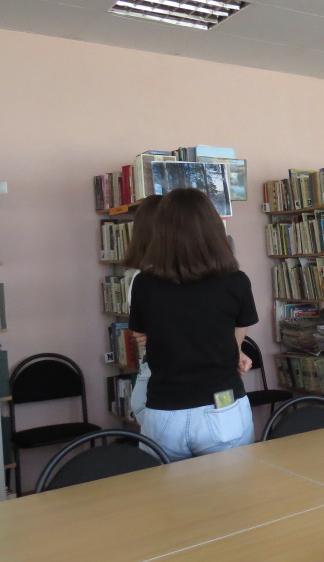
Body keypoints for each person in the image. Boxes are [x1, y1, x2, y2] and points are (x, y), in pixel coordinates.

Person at [129, 188, 257, 461]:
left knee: (166, 489)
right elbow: (238, 330)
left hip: (164, 412)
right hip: (222, 405)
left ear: (161, 232)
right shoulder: (236, 281)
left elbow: (141, 335)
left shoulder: (143, 283)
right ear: (214, 229)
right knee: (234, 488)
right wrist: (231, 351)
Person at [121, 194, 163, 426]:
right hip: (157, 383)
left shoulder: (142, 277)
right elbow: (146, 335)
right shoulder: (145, 280)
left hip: (154, 378)